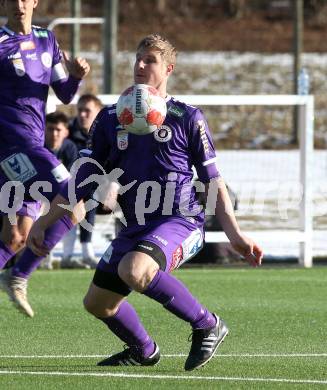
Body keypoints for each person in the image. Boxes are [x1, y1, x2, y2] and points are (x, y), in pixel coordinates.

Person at [27, 34, 263, 370]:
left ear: (168, 68)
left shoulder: (186, 117)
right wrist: (43, 222)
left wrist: (235, 235)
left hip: (181, 222)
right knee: (98, 303)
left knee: (134, 269)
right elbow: (80, 180)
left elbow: (213, 181)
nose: (139, 66)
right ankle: (144, 349)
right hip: (135, 227)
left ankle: (207, 324)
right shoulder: (110, 119)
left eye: (149, 60)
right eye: (137, 59)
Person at [0, 0, 90, 317]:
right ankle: (20, 275)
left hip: (32, 146)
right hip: (13, 147)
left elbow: (64, 93)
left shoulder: (46, 40)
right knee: (74, 201)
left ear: (35, 2)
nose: (18, 5)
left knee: (16, 237)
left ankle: (16, 271)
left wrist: (76, 76)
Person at [44, 111, 88, 269]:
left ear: (66, 132)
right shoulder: (36, 147)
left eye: (58, 130)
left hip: (60, 194)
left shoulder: (69, 148)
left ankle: (66, 256)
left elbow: (72, 179)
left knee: (75, 207)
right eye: (50, 129)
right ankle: (41, 256)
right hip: (36, 195)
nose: (54, 134)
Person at [67, 94, 103, 268]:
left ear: (98, 112)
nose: (82, 115)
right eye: (80, 110)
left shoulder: (105, 134)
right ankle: (76, 253)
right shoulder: (65, 133)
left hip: (102, 190)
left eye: (87, 111)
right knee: (82, 194)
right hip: (67, 188)